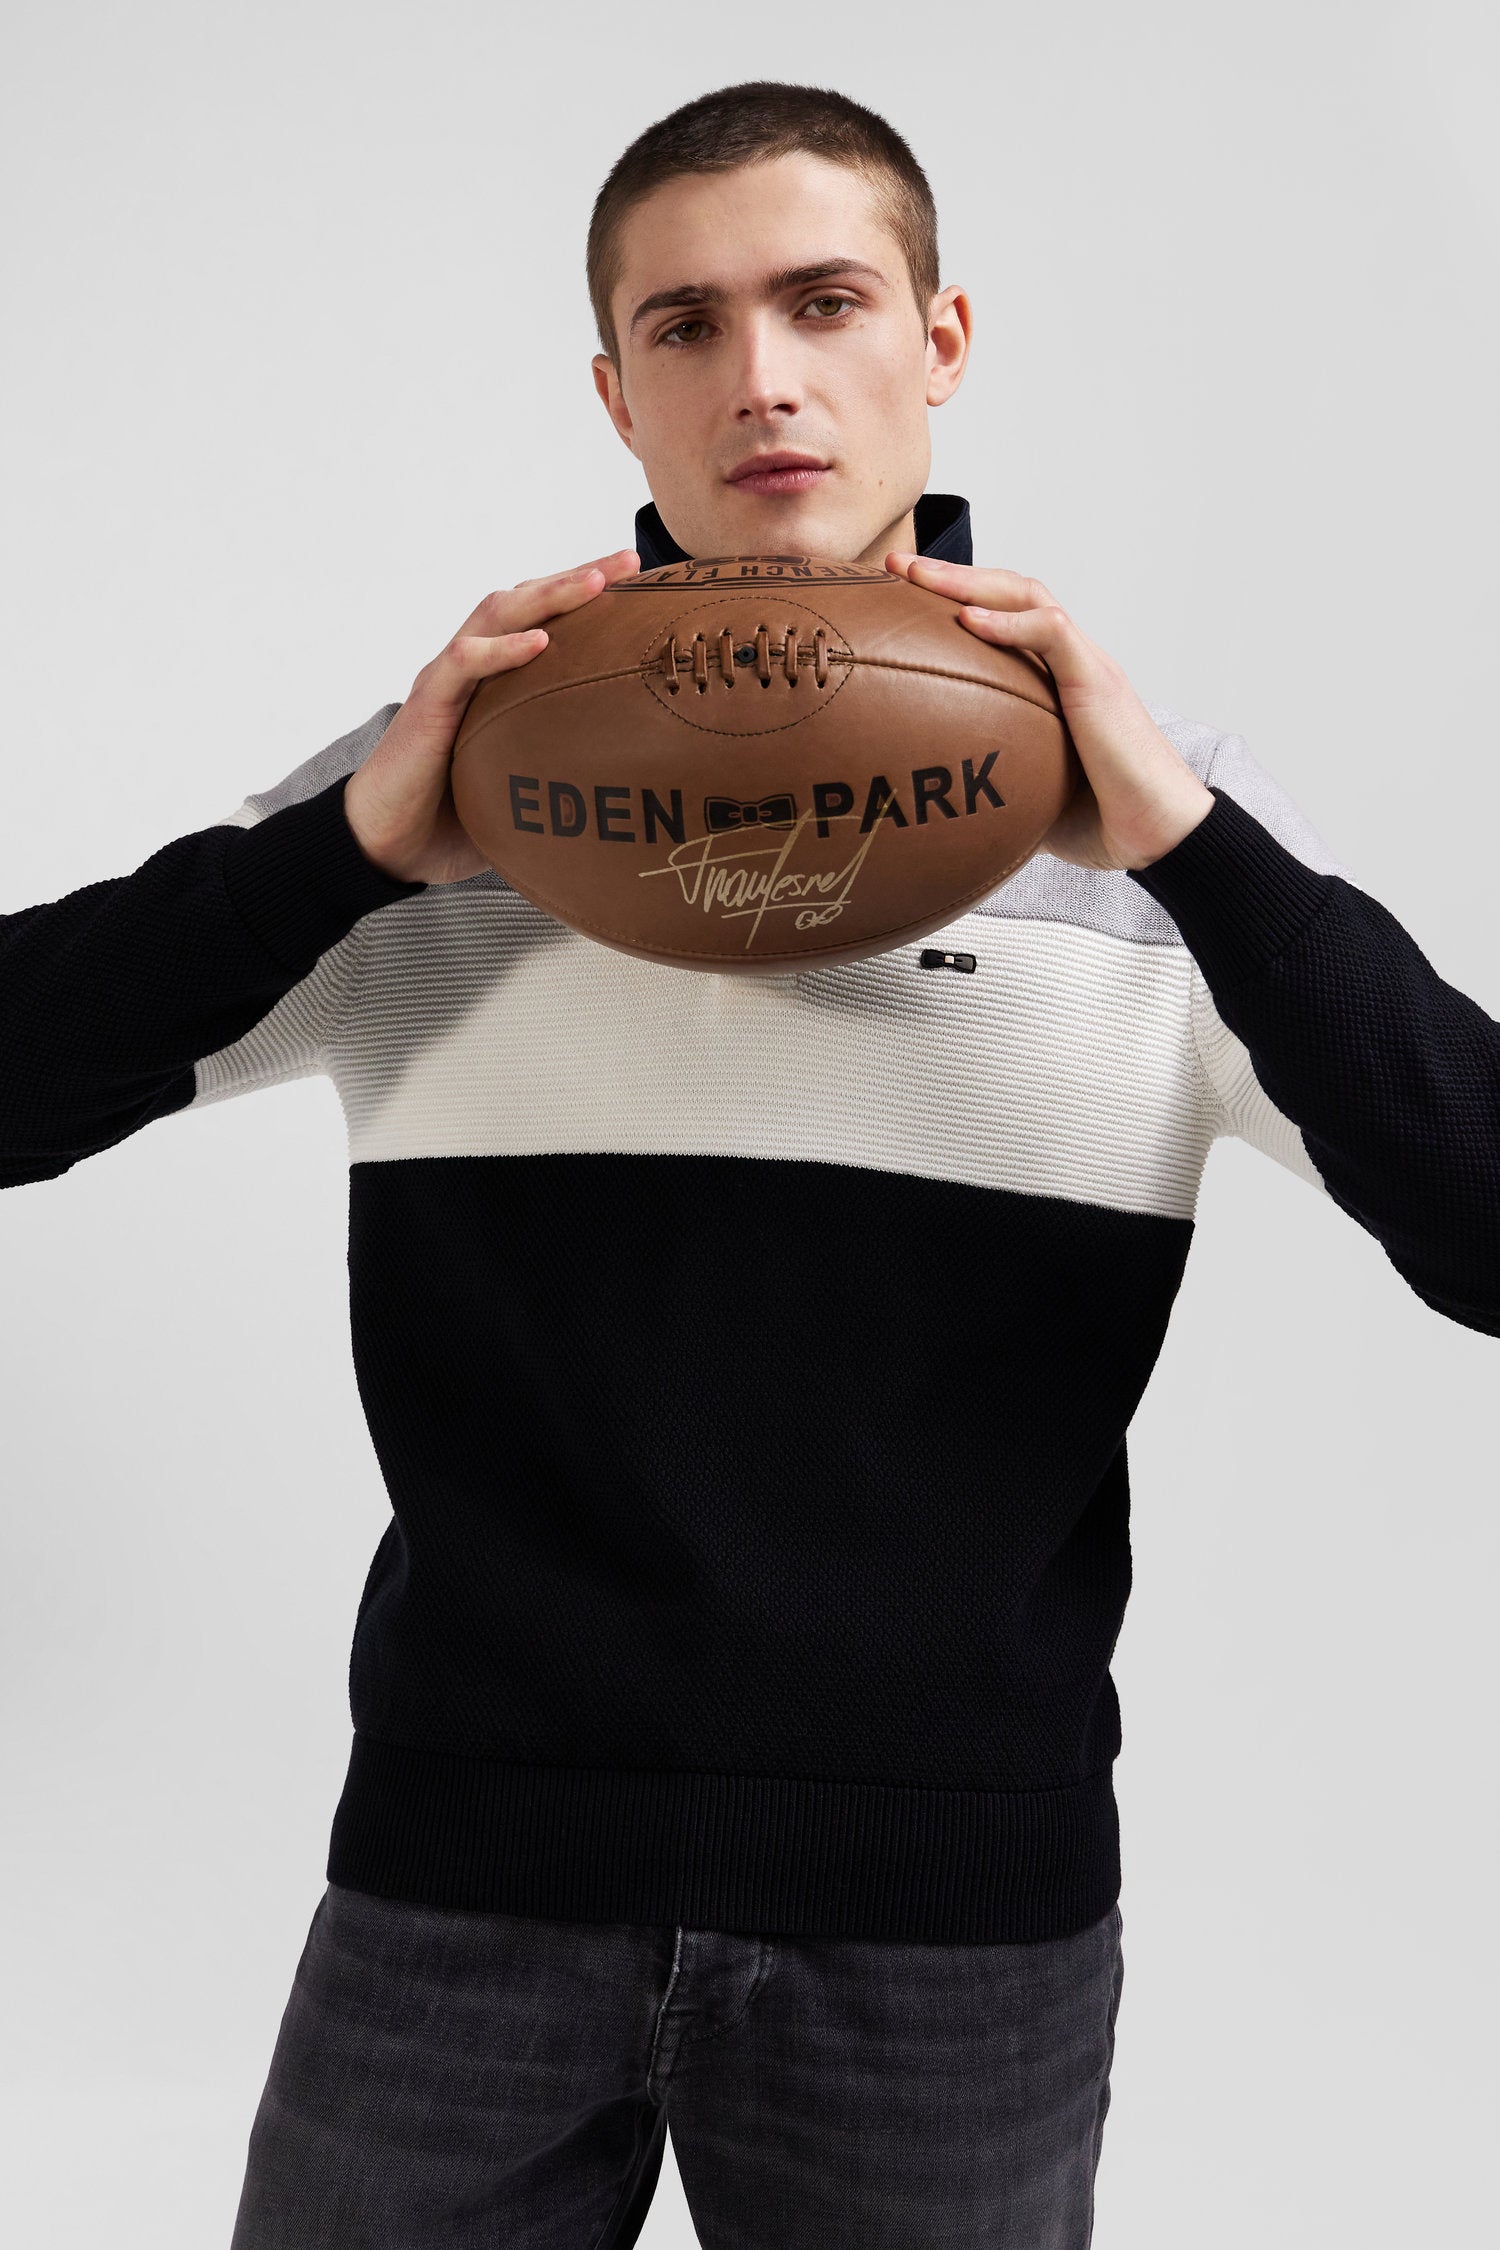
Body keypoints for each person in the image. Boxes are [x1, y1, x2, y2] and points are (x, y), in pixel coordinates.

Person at [3, 77, 1496, 2250]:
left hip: (948, 1932)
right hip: (461, 1894)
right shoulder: (440, 796)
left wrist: (1193, 852)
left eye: (825, 302)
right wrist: (332, 861)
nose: (763, 379)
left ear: (941, 340)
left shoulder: (1169, 828)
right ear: (616, 394)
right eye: (685, 325)